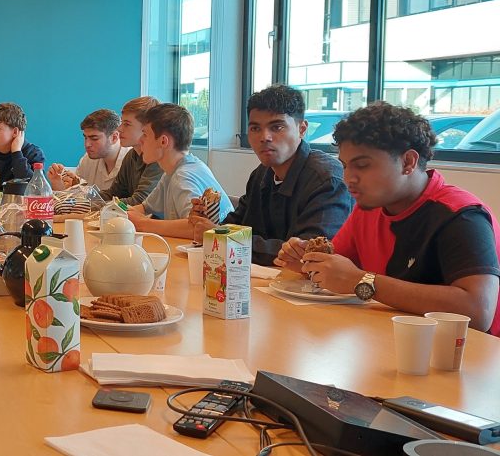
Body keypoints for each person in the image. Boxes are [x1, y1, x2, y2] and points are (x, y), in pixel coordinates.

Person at [275, 103, 500, 334]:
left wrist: (363, 282)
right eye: (345, 166)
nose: (348, 178)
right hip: (393, 339)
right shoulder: (369, 208)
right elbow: (338, 271)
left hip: (469, 350)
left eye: (362, 165)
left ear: (408, 162)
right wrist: (307, 262)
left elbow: (477, 312)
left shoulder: (461, 215)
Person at [189, 85, 352, 265]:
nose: (264, 137)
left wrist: (221, 237)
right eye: (255, 128)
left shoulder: (326, 180)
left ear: (302, 129)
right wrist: (206, 221)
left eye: (277, 127)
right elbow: (234, 226)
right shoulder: (260, 175)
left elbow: (309, 254)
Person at [127, 104, 232, 238]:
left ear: (163, 141)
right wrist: (117, 212)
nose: (140, 140)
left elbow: (196, 227)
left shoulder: (182, 177)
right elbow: (144, 208)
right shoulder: (175, 171)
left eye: (145, 134)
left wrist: (143, 223)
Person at [97, 96, 162, 205]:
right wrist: (82, 199)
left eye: (127, 124)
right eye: (121, 123)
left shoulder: (158, 160)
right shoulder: (131, 155)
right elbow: (114, 193)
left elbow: (140, 201)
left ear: (146, 128)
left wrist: (102, 205)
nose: (119, 129)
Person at [47, 108, 130, 191]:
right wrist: (58, 184)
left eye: (94, 138)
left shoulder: (133, 160)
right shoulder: (88, 160)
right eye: (85, 138)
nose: (87, 144)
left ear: (114, 137)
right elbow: (76, 197)